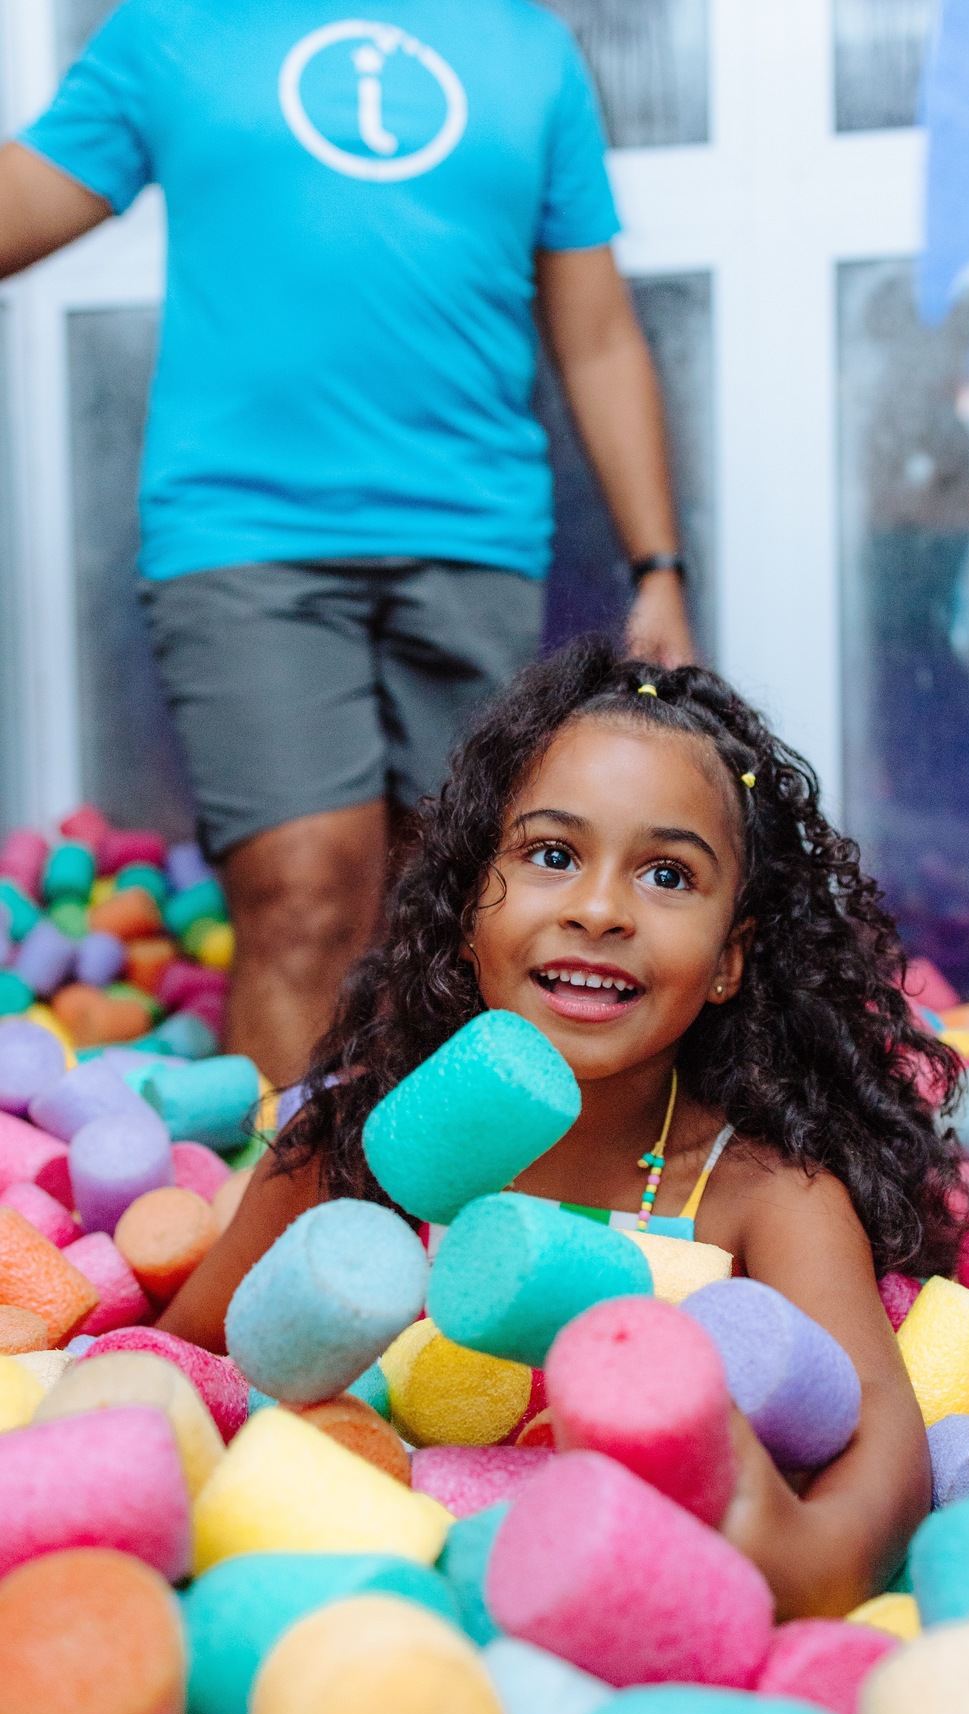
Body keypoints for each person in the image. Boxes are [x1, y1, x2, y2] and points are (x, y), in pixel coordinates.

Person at [161, 638, 966, 1618]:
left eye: (667, 874)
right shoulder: (361, 1146)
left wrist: (803, 1557)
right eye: (553, 856)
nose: (599, 909)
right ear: (468, 909)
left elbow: (882, 1440)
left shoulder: (761, 1194)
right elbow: (185, 1360)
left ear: (730, 958)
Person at [0, 1, 695, 1087]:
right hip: (244, 534)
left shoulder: (527, 48)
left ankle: (433, 1190)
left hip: (475, 537)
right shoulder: (178, 26)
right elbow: (21, 204)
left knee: (465, 913)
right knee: (304, 891)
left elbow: (598, 335)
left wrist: (659, 568)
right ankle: (281, 1195)